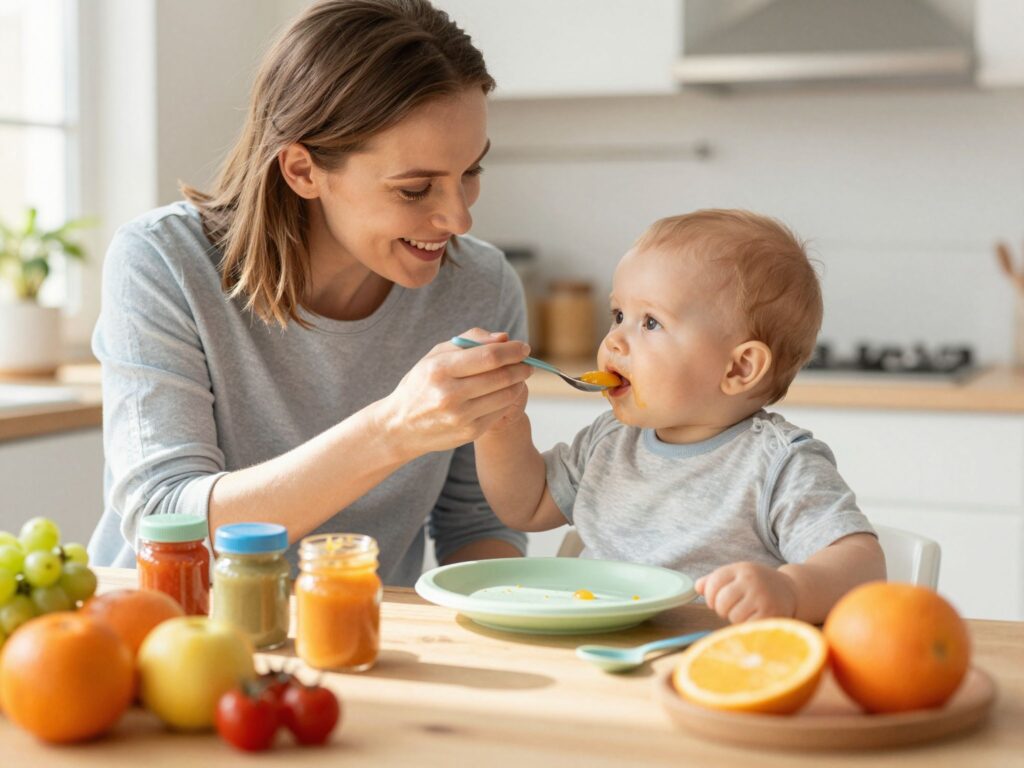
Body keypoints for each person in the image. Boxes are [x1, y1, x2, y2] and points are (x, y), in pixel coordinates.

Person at [88, 0, 537, 585]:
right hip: (174, 637)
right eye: (415, 189)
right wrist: (391, 430)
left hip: (363, 641)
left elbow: (475, 523)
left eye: (470, 172)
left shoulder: (481, 284)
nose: (458, 218)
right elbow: (166, 520)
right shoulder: (164, 262)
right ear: (302, 170)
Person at [473, 210, 886, 624]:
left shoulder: (779, 465)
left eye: (650, 322)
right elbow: (526, 506)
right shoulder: (610, 440)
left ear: (738, 369)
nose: (614, 340)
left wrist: (792, 591)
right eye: (618, 315)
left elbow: (861, 565)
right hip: (596, 650)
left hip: (710, 664)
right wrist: (499, 427)